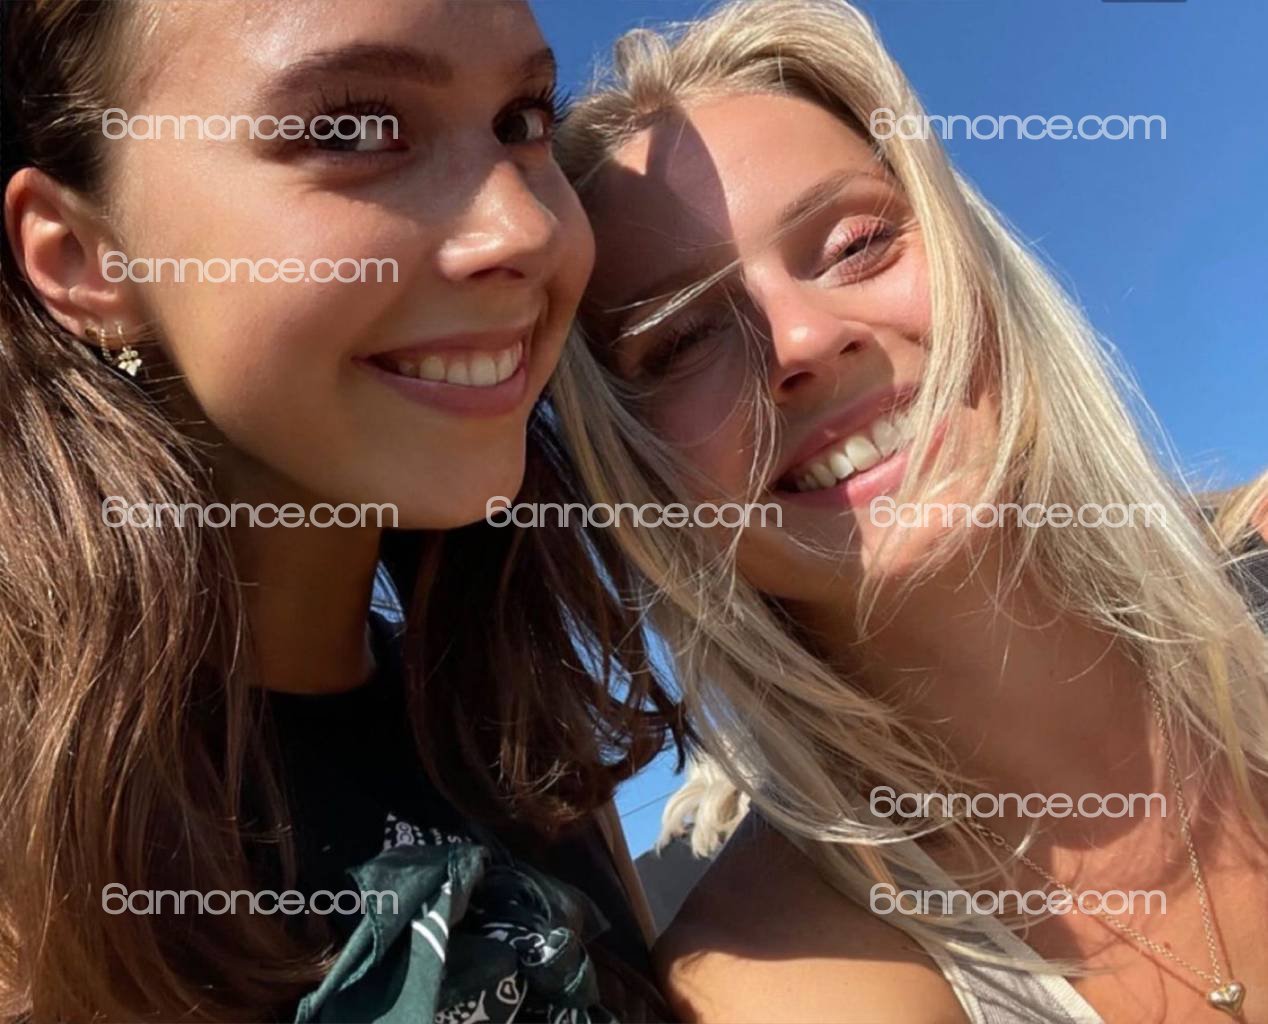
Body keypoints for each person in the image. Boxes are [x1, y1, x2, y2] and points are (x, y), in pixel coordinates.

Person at [551, 0, 1268, 1020]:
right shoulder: (783, 980)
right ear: (625, 466)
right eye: (679, 340)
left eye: (855, 244)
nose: (801, 341)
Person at [0, 1, 681, 1020]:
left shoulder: (518, 747)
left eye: (522, 121)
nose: (526, 228)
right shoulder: (34, 833)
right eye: (353, 130)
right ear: (83, 258)